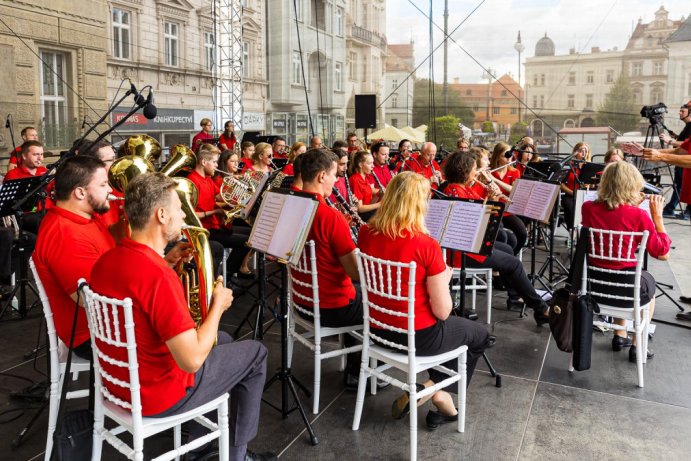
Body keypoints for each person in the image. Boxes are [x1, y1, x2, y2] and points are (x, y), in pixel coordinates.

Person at [90, 173, 273, 461]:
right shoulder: (157, 276)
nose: (182, 215)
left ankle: (202, 448)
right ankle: (237, 454)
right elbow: (191, 360)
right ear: (161, 215)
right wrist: (217, 307)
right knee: (256, 354)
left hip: (119, 385)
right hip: (158, 394)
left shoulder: (108, 259)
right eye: (178, 208)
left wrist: (168, 261)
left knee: (223, 339)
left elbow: (139, 290)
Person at [357, 172, 490, 430]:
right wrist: (446, 281)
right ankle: (433, 391)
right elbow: (442, 312)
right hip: (418, 336)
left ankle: (441, 401)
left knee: (457, 331)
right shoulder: (425, 245)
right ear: (419, 204)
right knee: (478, 335)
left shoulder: (365, 232)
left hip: (377, 330)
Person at [292, 149, 376, 390]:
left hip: (302, 302)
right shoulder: (330, 216)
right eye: (333, 175)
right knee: (377, 303)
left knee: (359, 293)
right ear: (320, 176)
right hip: (331, 307)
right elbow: (355, 273)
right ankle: (361, 373)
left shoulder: (291, 205)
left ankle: (354, 366)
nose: (336, 180)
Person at [442, 151, 550, 323]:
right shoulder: (456, 192)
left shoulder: (461, 189)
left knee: (508, 248)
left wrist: (491, 197)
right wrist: (492, 200)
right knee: (514, 263)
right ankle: (540, 308)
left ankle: (515, 295)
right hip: (463, 252)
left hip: (469, 245)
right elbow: (481, 224)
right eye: (474, 169)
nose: (476, 172)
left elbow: (484, 216)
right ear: (465, 170)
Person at [581, 161, 671, 359]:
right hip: (627, 290)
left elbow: (612, 215)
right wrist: (658, 219)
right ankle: (638, 345)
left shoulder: (588, 208)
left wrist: (630, 207)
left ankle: (619, 335)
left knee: (619, 274)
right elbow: (662, 253)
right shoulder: (639, 215)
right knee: (647, 286)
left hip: (594, 288)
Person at [32, 156, 116, 358]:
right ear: (80, 192)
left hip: (108, 323)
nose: (111, 190)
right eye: (104, 184)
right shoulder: (65, 235)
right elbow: (90, 300)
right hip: (94, 334)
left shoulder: (85, 217)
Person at [187, 143, 253, 279]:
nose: (217, 166)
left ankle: (229, 273)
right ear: (204, 162)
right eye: (215, 162)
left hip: (216, 225)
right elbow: (191, 215)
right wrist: (216, 212)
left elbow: (220, 196)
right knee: (246, 241)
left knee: (251, 235)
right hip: (206, 230)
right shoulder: (192, 181)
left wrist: (241, 187)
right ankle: (227, 275)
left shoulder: (207, 179)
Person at [489, 142, 527, 254]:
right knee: (503, 236)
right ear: (497, 157)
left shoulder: (514, 172)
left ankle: (512, 255)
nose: (509, 158)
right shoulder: (490, 171)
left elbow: (514, 189)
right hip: (494, 210)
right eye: (505, 155)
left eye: (510, 155)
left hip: (508, 211)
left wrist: (495, 180)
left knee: (522, 233)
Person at [659, 101, 691, 218]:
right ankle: (671, 208)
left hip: (685, 162)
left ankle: (679, 209)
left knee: (682, 185)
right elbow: (685, 143)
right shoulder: (688, 127)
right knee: (679, 185)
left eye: (683, 111)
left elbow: (686, 145)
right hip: (682, 161)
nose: (680, 113)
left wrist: (670, 141)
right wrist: (676, 137)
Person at [561, 142, 591, 230]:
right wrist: (572, 193)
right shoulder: (569, 165)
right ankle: (572, 231)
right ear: (575, 152)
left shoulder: (589, 166)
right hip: (571, 194)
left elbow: (593, 183)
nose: (584, 153)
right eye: (581, 150)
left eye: (586, 151)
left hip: (585, 195)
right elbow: (561, 184)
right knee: (570, 207)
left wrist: (589, 184)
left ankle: (586, 232)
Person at [348, 150, 381, 221]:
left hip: (366, 213)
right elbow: (360, 208)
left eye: (373, 163)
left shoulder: (365, 178)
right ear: (360, 165)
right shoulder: (355, 180)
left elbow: (369, 203)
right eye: (369, 163)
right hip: (361, 216)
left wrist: (379, 194)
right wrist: (380, 204)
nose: (373, 166)